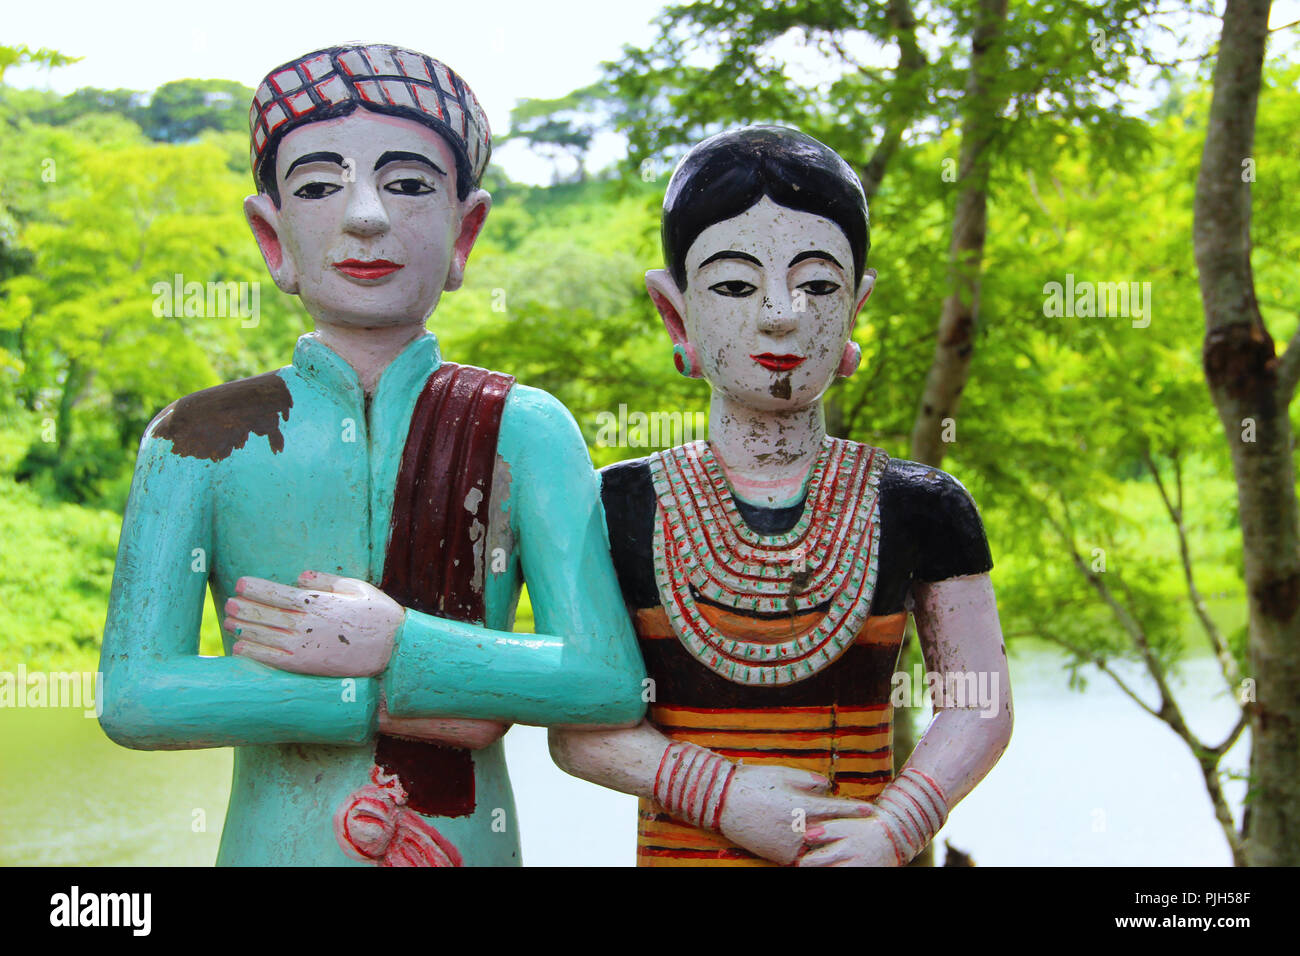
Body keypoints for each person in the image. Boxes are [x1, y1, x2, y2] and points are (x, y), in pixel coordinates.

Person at [99, 43, 645, 867]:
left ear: (465, 231)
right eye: (319, 186)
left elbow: (603, 678)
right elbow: (135, 696)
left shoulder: (523, 427)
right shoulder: (198, 436)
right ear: (271, 233)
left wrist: (399, 645)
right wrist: (368, 694)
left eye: (409, 185)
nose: (365, 217)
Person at [550, 126, 1013, 866]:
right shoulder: (617, 506)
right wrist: (725, 798)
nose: (781, 313)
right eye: (734, 285)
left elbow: (979, 705)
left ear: (855, 307)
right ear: (676, 312)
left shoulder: (921, 505)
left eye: (818, 286)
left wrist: (897, 825)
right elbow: (579, 729)